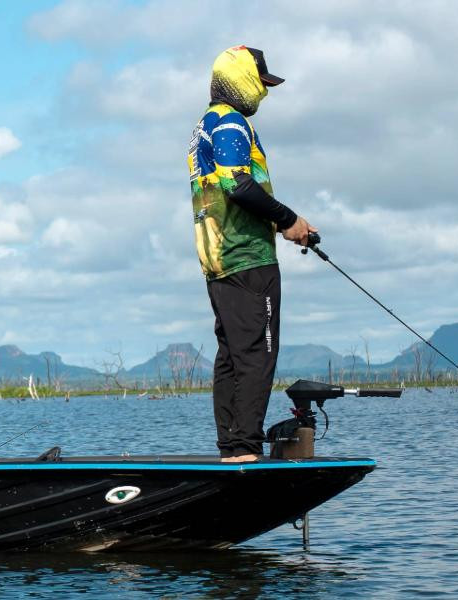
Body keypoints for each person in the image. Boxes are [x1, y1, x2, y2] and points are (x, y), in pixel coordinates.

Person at [185, 47, 318, 463]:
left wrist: (284, 225)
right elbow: (238, 187)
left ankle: (232, 447)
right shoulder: (229, 121)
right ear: (241, 78)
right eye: (261, 82)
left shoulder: (204, 126)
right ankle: (243, 448)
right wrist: (289, 219)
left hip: (219, 259)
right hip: (246, 257)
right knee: (257, 353)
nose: (264, 92)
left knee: (232, 354)